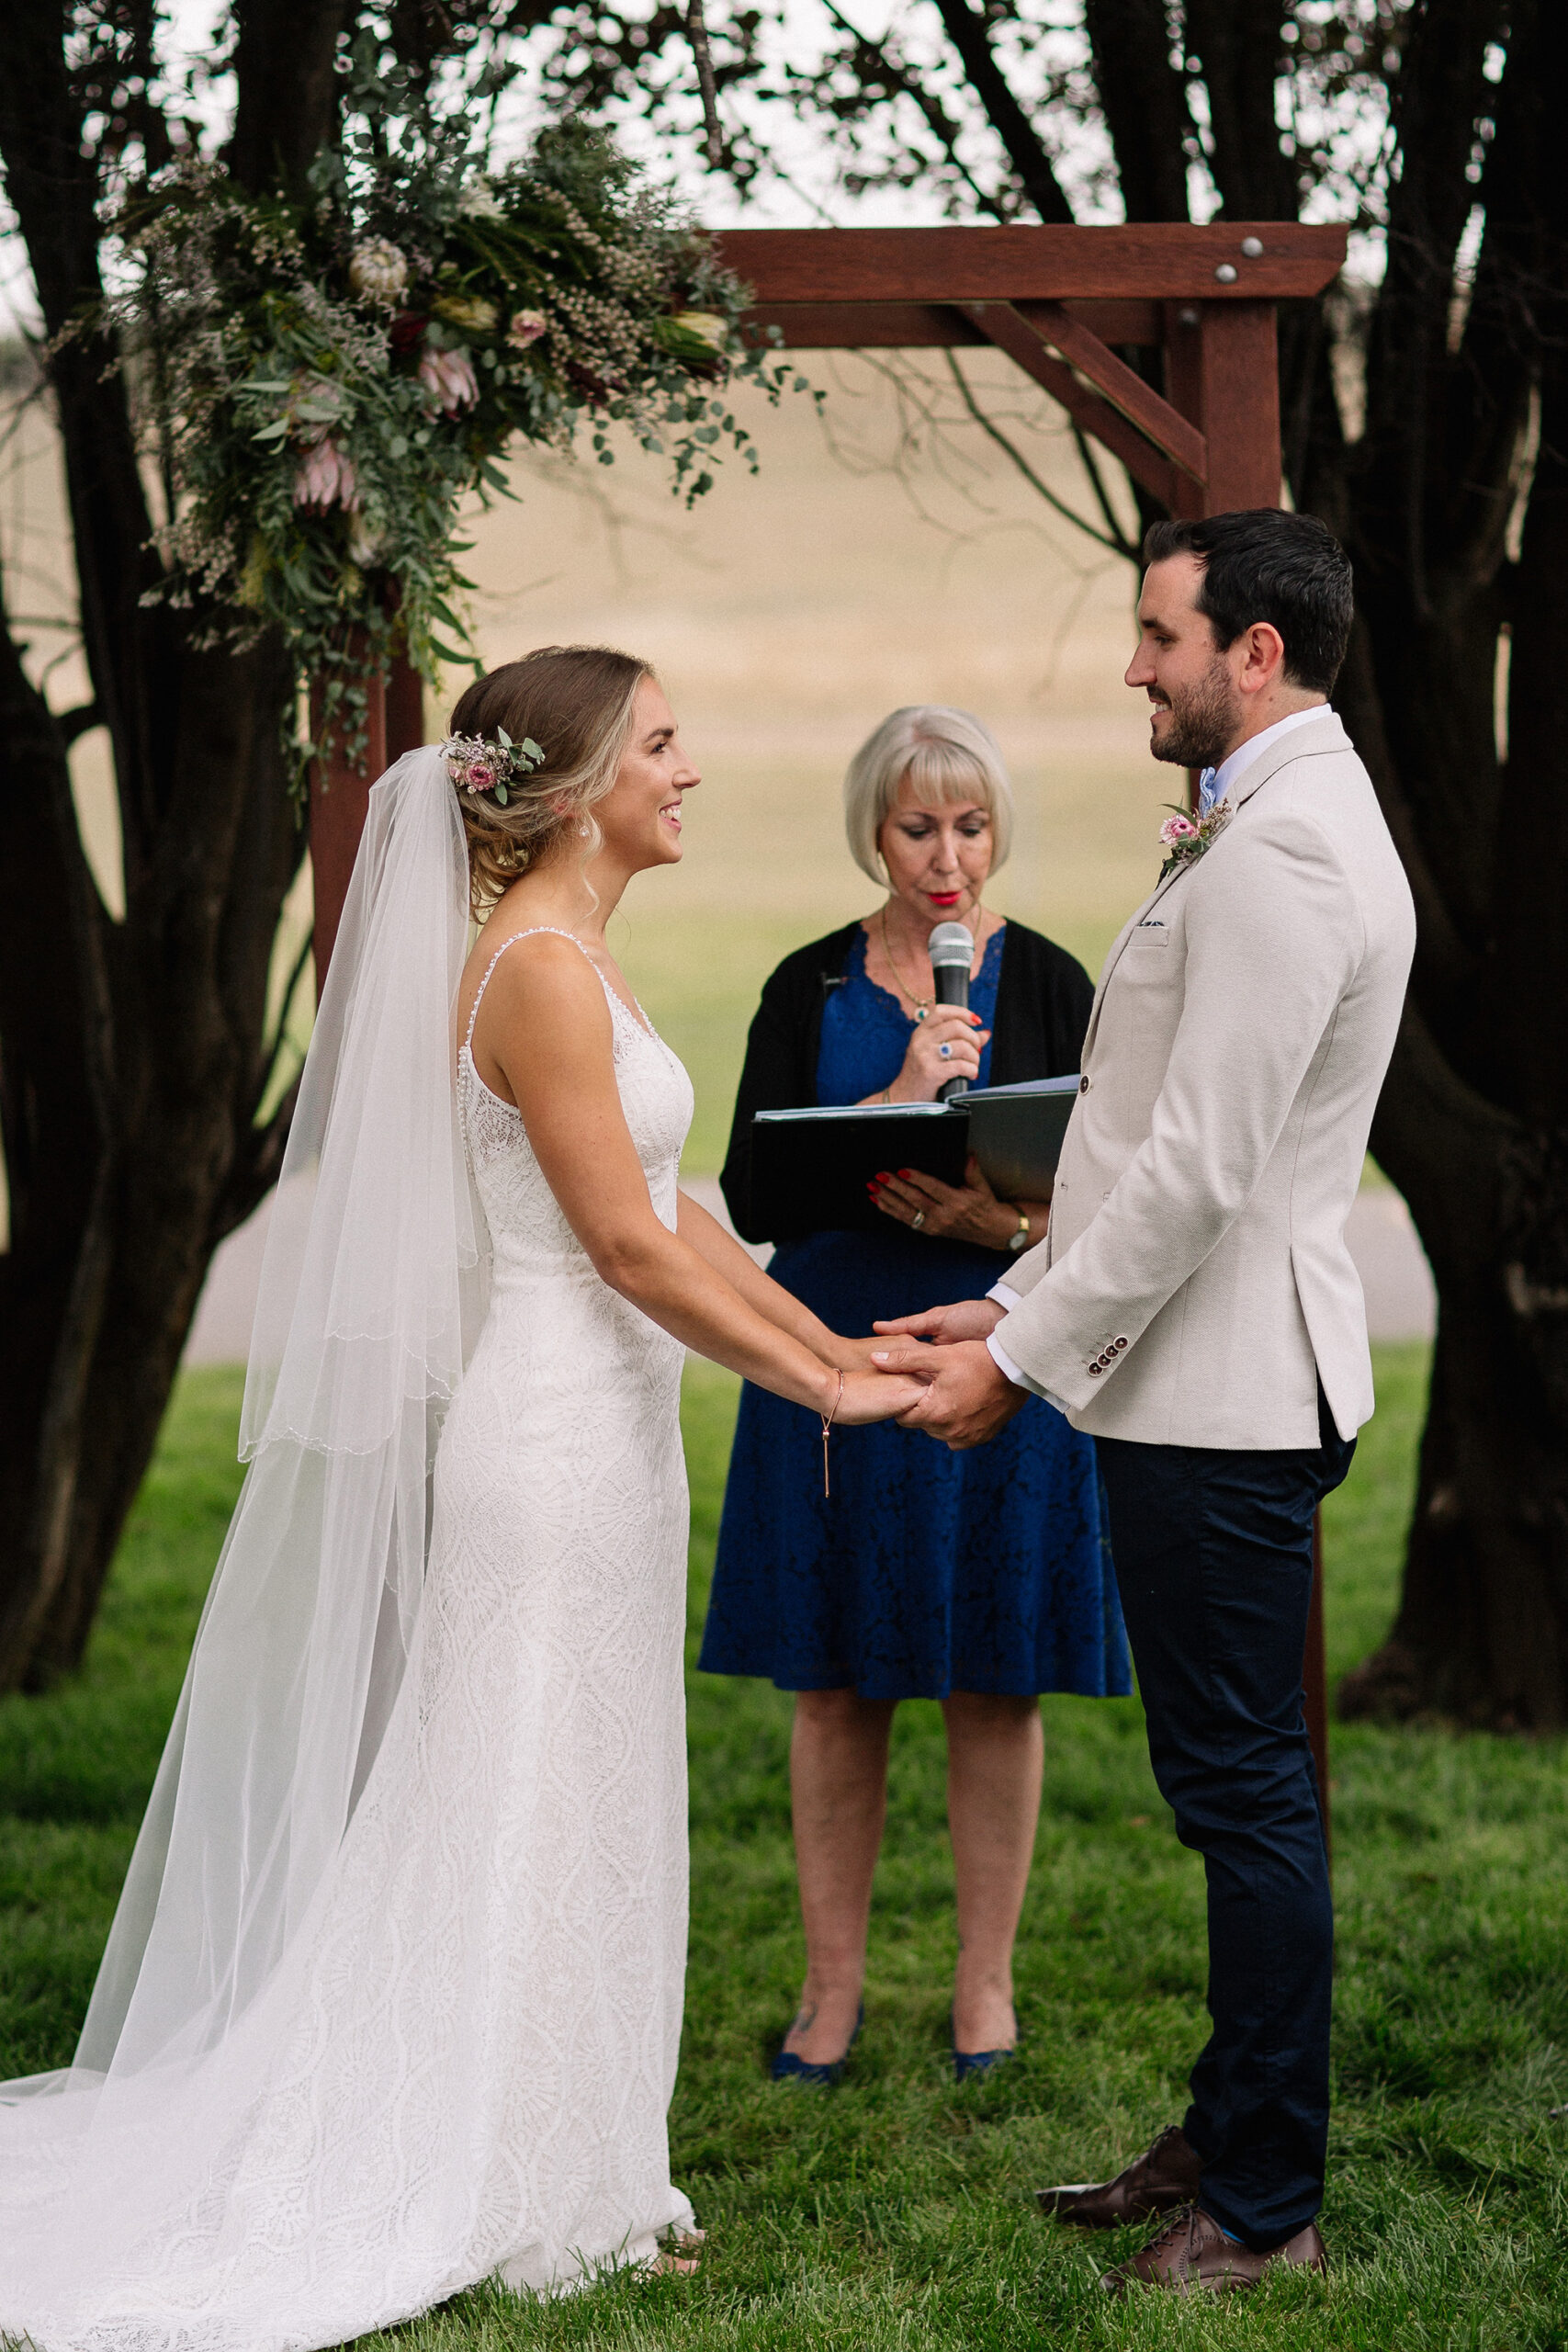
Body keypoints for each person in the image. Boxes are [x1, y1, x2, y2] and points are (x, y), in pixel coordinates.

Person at [0, 647, 924, 2349]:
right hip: (551, 1445)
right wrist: (829, 1395)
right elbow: (628, 1250)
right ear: (571, 787)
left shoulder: (584, 961)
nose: (688, 770)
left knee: (581, 1798)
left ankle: (582, 2163)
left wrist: (848, 1356)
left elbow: (685, 1211)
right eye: (660, 743)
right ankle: (503, 2175)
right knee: (520, 1808)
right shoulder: (544, 978)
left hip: (614, 1436)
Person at [873, 513, 1416, 2293]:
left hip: (1223, 1393)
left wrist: (1011, 1367)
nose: (1132, 664)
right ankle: (1228, 2121)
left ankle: (1262, 2202)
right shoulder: (1267, 821)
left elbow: (1193, 1171)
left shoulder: (1283, 856)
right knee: (1225, 1791)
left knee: (1244, 1798)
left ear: (1251, 651)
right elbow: (1144, 1141)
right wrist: (1015, 1287)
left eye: (1155, 632)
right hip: (1199, 1371)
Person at [703, 706, 1129, 2086]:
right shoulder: (807, 984)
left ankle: (984, 1991)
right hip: (831, 1358)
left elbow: (1115, 1191)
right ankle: (829, 1998)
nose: (949, 857)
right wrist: (898, 1088)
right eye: (917, 825)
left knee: (997, 1683)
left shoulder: (1057, 980)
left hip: (998, 1352)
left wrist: (991, 1226)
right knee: (832, 1689)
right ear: (871, 833)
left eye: (973, 824)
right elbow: (756, 1193)